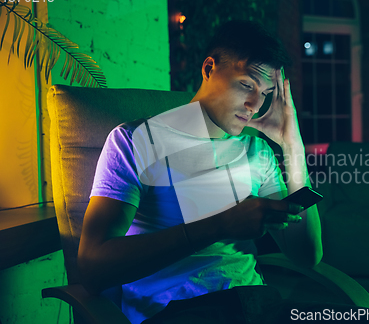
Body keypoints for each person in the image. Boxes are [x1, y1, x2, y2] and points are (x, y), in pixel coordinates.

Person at [78, 20, 323, 323]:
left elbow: (307, 255)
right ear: (209, 68)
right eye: (247, 85)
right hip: (177, 311)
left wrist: (292, 148)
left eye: (266, 93)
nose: (254, 105)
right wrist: (220, 225)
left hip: (255, 303)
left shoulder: (257, 152)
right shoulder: (135, 140)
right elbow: (91, 269)